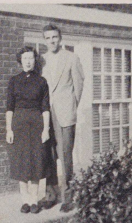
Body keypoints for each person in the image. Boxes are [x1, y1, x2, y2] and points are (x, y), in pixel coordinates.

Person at [41, 24, 85, 212]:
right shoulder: (41, 60)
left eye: (55, 37)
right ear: (45, 40)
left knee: (65, 155)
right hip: (45, 114)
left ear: (60, 38)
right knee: (48, 155)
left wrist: (70, 106)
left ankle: (69, 196)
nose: (52, 41)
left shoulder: (71, 58)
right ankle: (51, 194)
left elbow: (79, 85)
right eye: (48, 38)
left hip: (65, 113)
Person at [6, 46, 51, 214]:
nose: (28, 61)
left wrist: (46, 129)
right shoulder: (13, 81)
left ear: (35, 61)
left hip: (37, 124)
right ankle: (25, 201)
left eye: (31, 58)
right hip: (19, 125)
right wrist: (9, 130)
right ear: (20, 60)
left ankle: (34, 200)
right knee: (21, 162)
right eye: (25, 58)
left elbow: (45, 108)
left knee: (36, 162)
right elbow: (9, 108)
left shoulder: (41, 81)